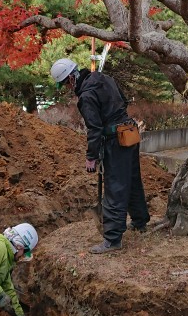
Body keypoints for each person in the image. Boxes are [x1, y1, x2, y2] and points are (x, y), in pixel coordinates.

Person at [50, 58, 150, 254]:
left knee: (114, 187)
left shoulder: (87, 96)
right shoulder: (104, 78)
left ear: (72, 77)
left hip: (116, 140)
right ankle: (140, 221)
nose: (67, 88)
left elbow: (94, 129)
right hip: (129, 134)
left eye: (65, 84)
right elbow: (124, 100)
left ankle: (112, 239)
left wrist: (91, 157)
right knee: (131, 180)